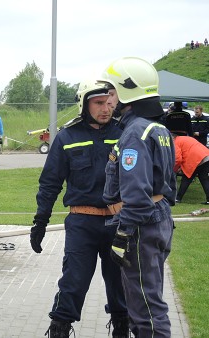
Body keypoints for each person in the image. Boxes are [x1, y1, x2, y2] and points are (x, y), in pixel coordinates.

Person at [30, 79, 127, 337]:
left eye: (109, 102)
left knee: (120, 287)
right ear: (84, 104)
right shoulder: (66, 137)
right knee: (73, 284)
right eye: (98, 103)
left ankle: (122, 329)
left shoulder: (124, 134)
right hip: (82, 224)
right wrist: (40, 221)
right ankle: (60, 330)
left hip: (119, 225)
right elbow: (50, 183)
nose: (105, 108)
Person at [99, 57, 176, 338]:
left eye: (111, 91)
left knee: (145, 309)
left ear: (127, 92)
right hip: (158, 220)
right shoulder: (158, 129)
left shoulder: (134, 134)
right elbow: (167, 186)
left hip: (141, 227)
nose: (108, 98)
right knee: (146, 298)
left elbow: (138, 197)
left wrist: (123, 232)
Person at [171, 133, 209, 204]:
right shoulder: (185, 138)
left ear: (172, 138)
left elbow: (177, 159)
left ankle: (178, 199)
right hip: (206, 155)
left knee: (186, 179)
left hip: (195, 159)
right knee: (204, 179)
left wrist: (174, 169)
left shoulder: (175, 142)